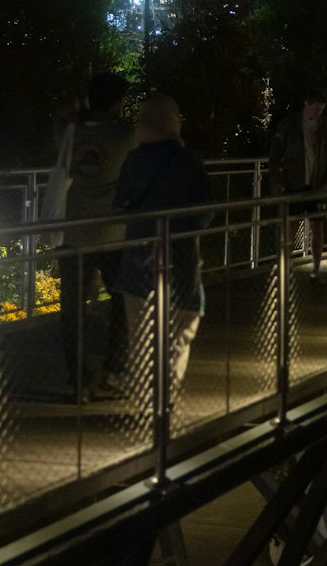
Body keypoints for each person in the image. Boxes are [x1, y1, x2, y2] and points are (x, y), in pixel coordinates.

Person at [108, 94, 213, 400]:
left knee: (140, 329)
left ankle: (144, 394)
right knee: (184, 320)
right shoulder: (189, 160)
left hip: (139, 256)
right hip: (180, 256)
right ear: (173, 122)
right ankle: (166, 394)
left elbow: (120, 205)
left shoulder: (134, 159)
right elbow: (205, 212)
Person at [56, 72, 134, 399]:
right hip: (113, 233)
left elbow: (62, 119)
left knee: (72, 310)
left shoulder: (67, 133)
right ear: (115, 103)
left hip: (72, 233)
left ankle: (79, 380)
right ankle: (113, 372)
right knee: (122, 303)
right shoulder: (124, 135)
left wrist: (77, 114)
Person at [268, 88, 327, 282]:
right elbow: (274, 156)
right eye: (316, 109)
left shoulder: (326, 127)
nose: (318, 114)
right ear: (306, 105)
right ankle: (284, 265)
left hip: (317, 185)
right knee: (289, 227)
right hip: (294, 183)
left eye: (321, 110)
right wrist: (277, 181)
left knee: (318, 227)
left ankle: (316, 268)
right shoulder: (288, 125)